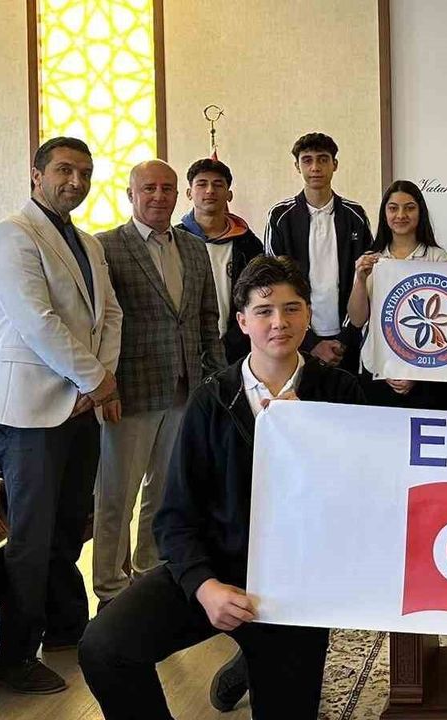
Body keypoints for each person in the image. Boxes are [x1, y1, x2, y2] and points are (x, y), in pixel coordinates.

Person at [79, 257, 368, 719]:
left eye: (292, 309)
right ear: (242, 321)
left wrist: (310, 435)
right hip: (216, 568)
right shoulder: (210, 399)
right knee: (103, 646)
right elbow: (174, 516)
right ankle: (244, 660)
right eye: (264, 311)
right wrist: (204, 585)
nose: (279, 322)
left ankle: (247, 666)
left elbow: (359, 499)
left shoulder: (341, 393)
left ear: (309, 315)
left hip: (295, 587)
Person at [0, 136, 122, 693]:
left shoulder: (86, 242)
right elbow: (38, 321)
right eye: (64, 170)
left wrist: (100, 380)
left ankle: (66, 629)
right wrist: (96, 380)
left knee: (69, 528)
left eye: (84, 172)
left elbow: (110, 314)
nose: (76, 181)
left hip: (80, 406)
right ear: (36, 175)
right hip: (27, 414)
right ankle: (14, 657)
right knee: (32, 539)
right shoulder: (13, 234)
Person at [94, 159, 225, 607]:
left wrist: (215, 381)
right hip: (129, 390)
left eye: (167, 188)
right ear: (130, 194)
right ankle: (110, 586)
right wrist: (104, 385)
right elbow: (100, 324)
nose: (158, 196)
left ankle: (149, 571)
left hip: (186, 387)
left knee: (166, 490)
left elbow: (207, 318)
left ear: (178, 195)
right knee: (117, 494)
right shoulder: (106, 246)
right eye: (148, 188)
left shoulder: (193, 247)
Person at [265, 132, 374, 373]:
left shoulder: (355, 215)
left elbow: (366, 280)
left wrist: (345, 337)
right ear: (297, 166)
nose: (315, 167)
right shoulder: (280, 216)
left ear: (335, 164)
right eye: (307, 160)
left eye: (323, 159)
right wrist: (311, 342)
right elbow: (274, 284)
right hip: (297, 338)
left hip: (348, 338)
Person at [348, 180, 447, 408]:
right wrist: (360, 279)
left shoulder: (437, 258)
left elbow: (445, 323)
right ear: (384, 213)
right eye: (393, 208)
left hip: (426, 372)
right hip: (376, 369)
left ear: (420, 212)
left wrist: (415, 371)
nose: (401, 215)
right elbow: (357, 320)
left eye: (409, 208)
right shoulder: (372, 259)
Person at [177, 157, 265, 364]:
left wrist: (233, 342)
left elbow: (257, 298)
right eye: (202, 184)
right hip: (186, 348)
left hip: (237, 347)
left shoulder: (248, 244)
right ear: (189, 193)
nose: (210, 191)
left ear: (229, 194)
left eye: (218, 185)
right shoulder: (174, 240)